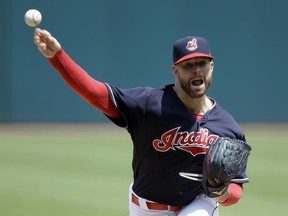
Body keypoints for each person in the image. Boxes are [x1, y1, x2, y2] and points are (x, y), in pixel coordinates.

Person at [33, 28, 249, 216]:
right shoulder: (149, 104)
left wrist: (222, 193)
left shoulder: (228, 127)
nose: (196, 69)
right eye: (188, 65)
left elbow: (236, 190)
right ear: (175, 70)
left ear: (211, 67)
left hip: (198, 205)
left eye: (202, 63)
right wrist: (58, 57)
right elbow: (96, 93)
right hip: (144, 208)